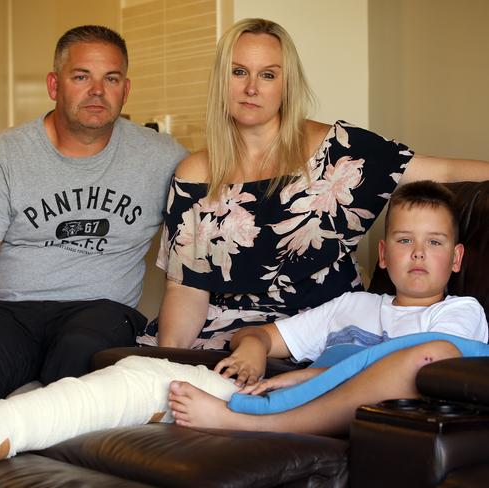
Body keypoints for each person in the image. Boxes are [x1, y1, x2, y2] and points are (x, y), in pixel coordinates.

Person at [0, 180, 488, 469]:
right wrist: (254, 351)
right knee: (144, 371)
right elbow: (270, 337)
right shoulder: (354, 306)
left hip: (303, 411)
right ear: (381, 256)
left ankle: (241, 421)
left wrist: (290, 389)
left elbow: (422, 358)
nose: (417, 253)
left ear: (456, 260)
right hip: (279, 396)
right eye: (403, 240)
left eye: (434, 243)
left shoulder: (460, 313)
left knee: (418, 358)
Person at [137, 18, 489, 351]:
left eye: (268, 75)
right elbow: (186, 289)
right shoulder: (195, 173)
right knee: (144, 383)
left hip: (317, 337)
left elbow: (440, 170)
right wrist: (171, 362)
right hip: (223, 336)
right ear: (221, 81)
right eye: (239, 72)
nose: (251, 88)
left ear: (286, 84)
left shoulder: (339, 150)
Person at [0, 25, 188, 401]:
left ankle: (38, 451)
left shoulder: (163, 157)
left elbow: (217, 208)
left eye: (111, 79)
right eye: (81, 76)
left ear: (125, 90)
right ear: (54, 85)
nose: (97, 90)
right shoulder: (3, 156)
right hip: (9, 313)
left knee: (77, 369)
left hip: (101, 313)